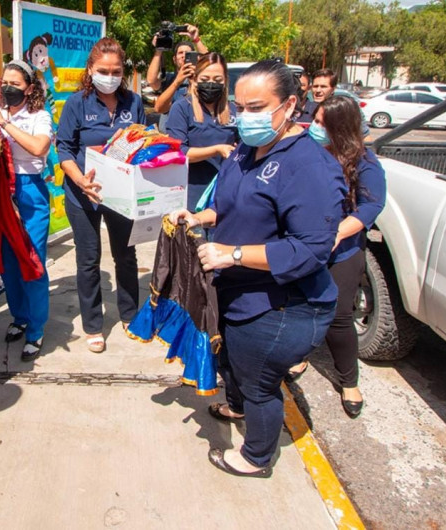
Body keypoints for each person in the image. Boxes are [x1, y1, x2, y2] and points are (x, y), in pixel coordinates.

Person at [170, 59, 346, 477]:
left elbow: (311, 247)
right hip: (239, 291)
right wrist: (201, 218)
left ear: (289, 105)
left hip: (283, 304)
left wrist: (231, 255)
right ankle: (235, 406)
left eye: (257, 107)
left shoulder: (308, 166)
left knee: (260, 383)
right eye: (241, 106)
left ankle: (256, 457)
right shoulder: (244, 151)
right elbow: (229, 204)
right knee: (232, 359)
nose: (246, 117)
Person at [289, 96, 386, 418]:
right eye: (314, 121)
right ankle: (299, 355)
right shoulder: (305, 152)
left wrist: (337, 234)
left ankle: (349, 382)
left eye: (322, 124)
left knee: (339, 316)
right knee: (300, 307)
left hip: (343, 250)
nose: (314, 128)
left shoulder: (365, 163)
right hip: (304, 245)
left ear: (340, 129)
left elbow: (371, 207)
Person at [56, 38, 146, 353]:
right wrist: (81, 181)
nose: (109, 75)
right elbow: (64, 148)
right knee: (89, 259)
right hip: (83, 195)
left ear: (123, 71)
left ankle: (131, 314)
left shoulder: (133, 102)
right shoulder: (76, 103)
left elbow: (142, 143)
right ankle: (93, 324)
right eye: (103, 70)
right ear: (91, 69)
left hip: (121, 195)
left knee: (126, 255)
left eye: (116, 70)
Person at [0, 60, 53, 362]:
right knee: (9, 262)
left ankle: (36, 330)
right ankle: (19, 316)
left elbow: (39, 148)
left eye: (15, 84)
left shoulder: (40, 116)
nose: (8, 89)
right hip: (0, 190)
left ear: (30, 88)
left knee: (32, 260)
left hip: (29, 192)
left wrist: (5, 124)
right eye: (4, 84)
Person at [165, 52, 237, 211]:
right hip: (190, 196)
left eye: (218, 80)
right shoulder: (182, 107)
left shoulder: (233, 110)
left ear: (225, 81)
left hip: (224, 195)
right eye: (205, 79)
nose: (211, 84)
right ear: (195, 79)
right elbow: (179, 152)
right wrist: (217, 150)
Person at [146, 24, 209, 115]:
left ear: (195, 57)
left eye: (187, 53)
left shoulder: (201, 77)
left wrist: (196, 40)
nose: (184, 56)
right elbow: (151, 81)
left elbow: (210, 64)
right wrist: (159, 49)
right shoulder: (169, 79)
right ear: (174, 59)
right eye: (180, 53)